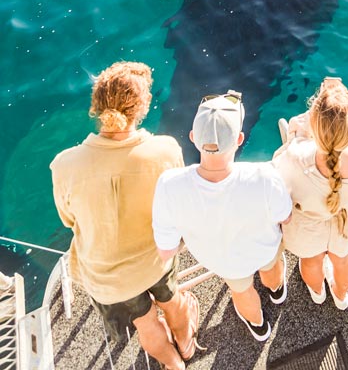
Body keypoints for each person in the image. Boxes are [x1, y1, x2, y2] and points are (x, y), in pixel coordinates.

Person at [50, 61, 199, 370]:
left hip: (108, 280)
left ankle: (173, 364)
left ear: (97, 106)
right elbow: (177, 203)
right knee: (173, 302)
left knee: (146, 325)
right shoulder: (165, 151)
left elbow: (68, 220)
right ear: (142, 107)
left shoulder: (64, 165)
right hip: (155, 260)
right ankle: (185, 342)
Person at [152, 91, 292, 342]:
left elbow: (166, 251)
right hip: (263, 249)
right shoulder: (264, 175)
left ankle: (260, 327)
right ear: (239, 139)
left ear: (193, 138)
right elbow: (286, 217)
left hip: (223, 261)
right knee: (271, 266)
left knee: (241, 290)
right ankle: (277, 291)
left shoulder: (169, 185)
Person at [273, 77, 348, 310]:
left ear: (315, 126)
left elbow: (279, 176)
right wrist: (347, 112)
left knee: (311, 261)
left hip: (307, 229)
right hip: (345, 228)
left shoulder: (296, 158)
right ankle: (340, 296)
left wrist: (305, 123)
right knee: (344, 260)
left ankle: (317, 293)